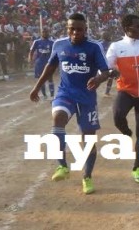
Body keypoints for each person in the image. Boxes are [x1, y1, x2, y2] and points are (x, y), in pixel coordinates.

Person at [29, 13, 110, 195]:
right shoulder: (59, 44)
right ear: (67, 29)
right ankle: (62, 166)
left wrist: (98, 79)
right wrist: (36, 87)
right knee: (58, 119)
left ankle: (87, 177)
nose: (75, 33)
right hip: (65, 94)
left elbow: (106, 71)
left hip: (87, 98)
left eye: (79, 29)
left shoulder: (94, 47)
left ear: (85, 30)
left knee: (87, 140)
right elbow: (50, 68)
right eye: (71, 29)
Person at [106, 14, 139, 183]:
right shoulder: (116, 46)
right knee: (117, 116)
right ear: (126, 29)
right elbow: (106, 65)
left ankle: (137, 167)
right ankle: (126, 132)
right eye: (137, 26)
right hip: (126, 90)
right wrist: (109, 72)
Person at [29, 28, 55, 100]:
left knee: (50, 78)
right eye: (43, 32)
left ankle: (52, 95)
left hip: (49, 63)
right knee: (41, 79)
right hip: (39, 63)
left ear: (48, 33)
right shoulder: (36, 42)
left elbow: (55, 53)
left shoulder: (52, 42)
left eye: (46, 32)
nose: (45, 33)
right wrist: (30, 60)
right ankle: (44, 95)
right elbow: (31, 51)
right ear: (41, 33)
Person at [100, 32, 115, 97]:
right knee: (110, 78)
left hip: (101, 63)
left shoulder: (99, 44)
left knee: (99, 77)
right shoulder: (111, 44)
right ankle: (107, 92)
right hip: (109, 64)